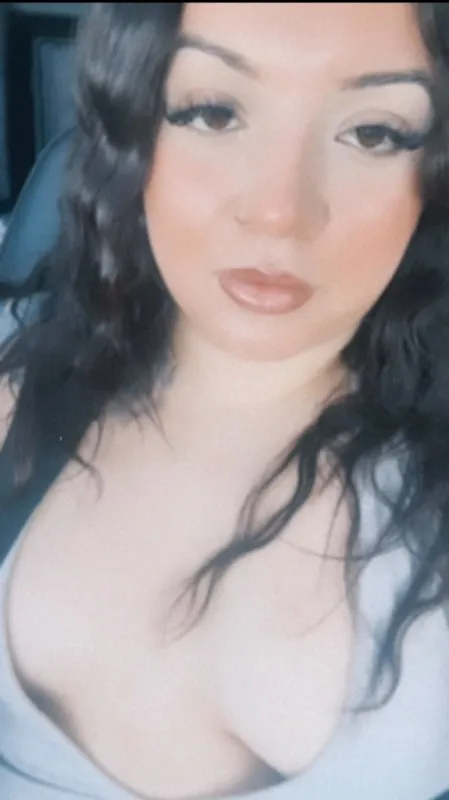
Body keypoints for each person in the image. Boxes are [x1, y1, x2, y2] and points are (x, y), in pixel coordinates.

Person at [0, 2, 448, 798]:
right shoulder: (17, 363)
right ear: (133, 131)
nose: (278, 211)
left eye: (374, 133)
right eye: (212, 112)